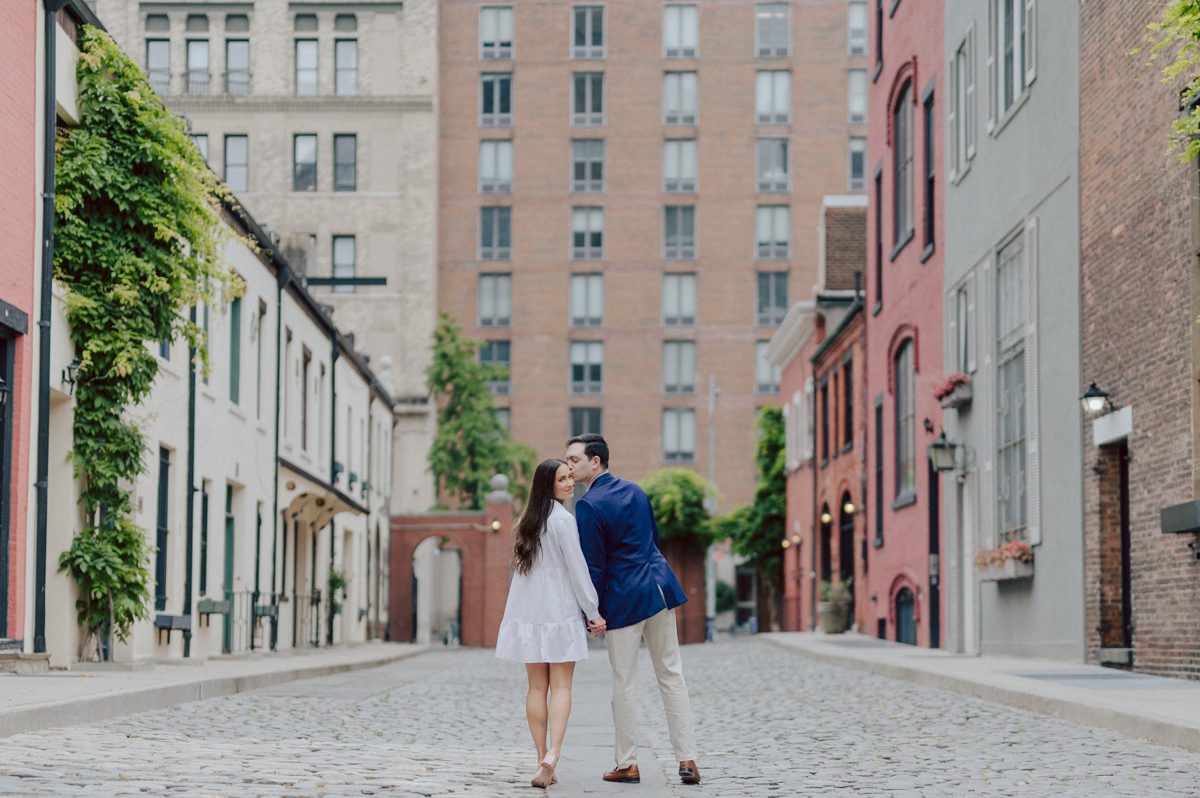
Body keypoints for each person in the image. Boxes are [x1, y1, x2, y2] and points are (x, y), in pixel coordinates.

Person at [565, 433, 701, 786]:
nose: (568, 466)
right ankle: (687, 759)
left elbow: (593, 565)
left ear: (596, 461)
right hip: (658, 588)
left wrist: (591, 612)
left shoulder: (588, 505)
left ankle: (627, 763)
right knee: (671, 674)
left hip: (625, 598)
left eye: (574, 460)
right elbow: (652, 541)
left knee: (624, 681)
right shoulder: (637, 491)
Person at [495, 458, 607, 789]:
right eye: (562, 479)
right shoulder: (562, 520)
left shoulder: (526, 523)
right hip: (558, 614)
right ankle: (553, 754)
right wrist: (593, 610)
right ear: (548, 485)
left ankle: (541, 758)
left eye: (571, 477)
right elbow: (577, 568)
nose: (570, 483)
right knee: (561, 687)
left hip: (530, 615)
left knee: (535, 687)